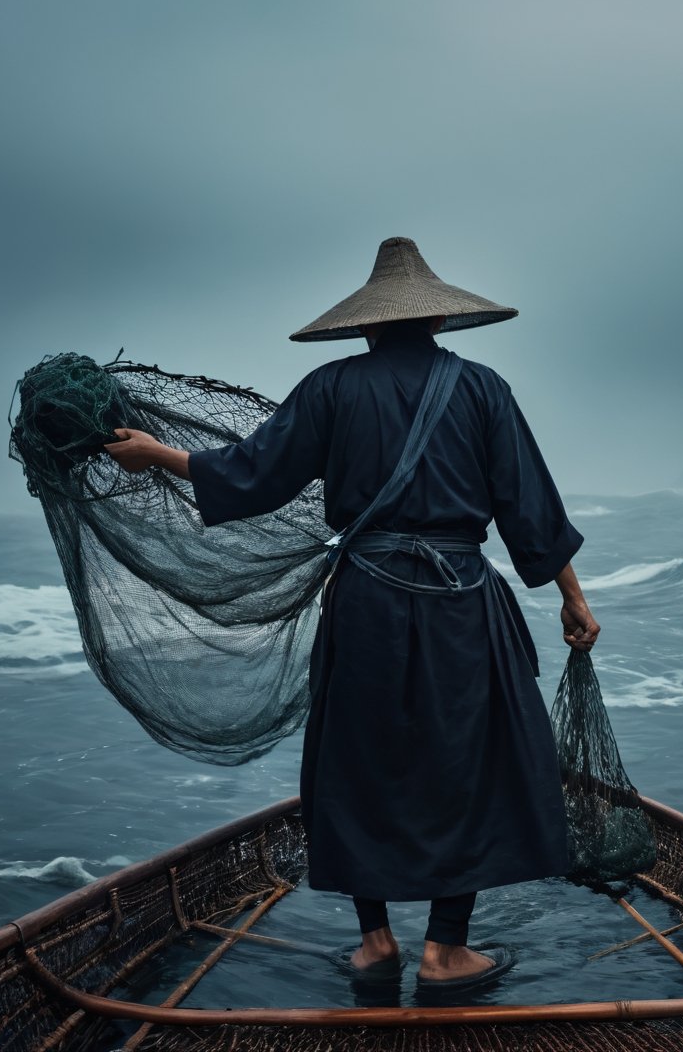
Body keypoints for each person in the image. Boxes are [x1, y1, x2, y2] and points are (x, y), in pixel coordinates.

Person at [104, 236, 600, 993]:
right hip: (460, 602)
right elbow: (527, 508)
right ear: (437, 321)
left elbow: (253, 476)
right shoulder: (484, 389)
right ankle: (446, 950)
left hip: (364, 596)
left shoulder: (330, 389)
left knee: (356, 757)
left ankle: (374, 944)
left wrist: (158, 454)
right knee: (462, 761)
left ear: (364, 327)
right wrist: (572, 594)